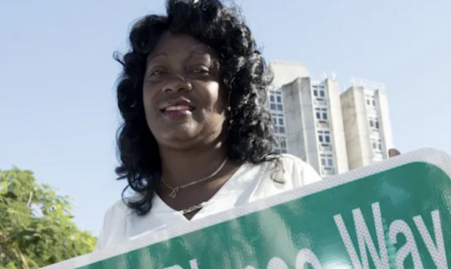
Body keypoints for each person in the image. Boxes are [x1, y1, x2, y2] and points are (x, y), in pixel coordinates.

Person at [95, 0, 396, 251]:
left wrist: (399, 216)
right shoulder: (119, 223)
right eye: (158, 72)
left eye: (198, 69)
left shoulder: (286, 180)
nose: (174, 84)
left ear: (233, 92)